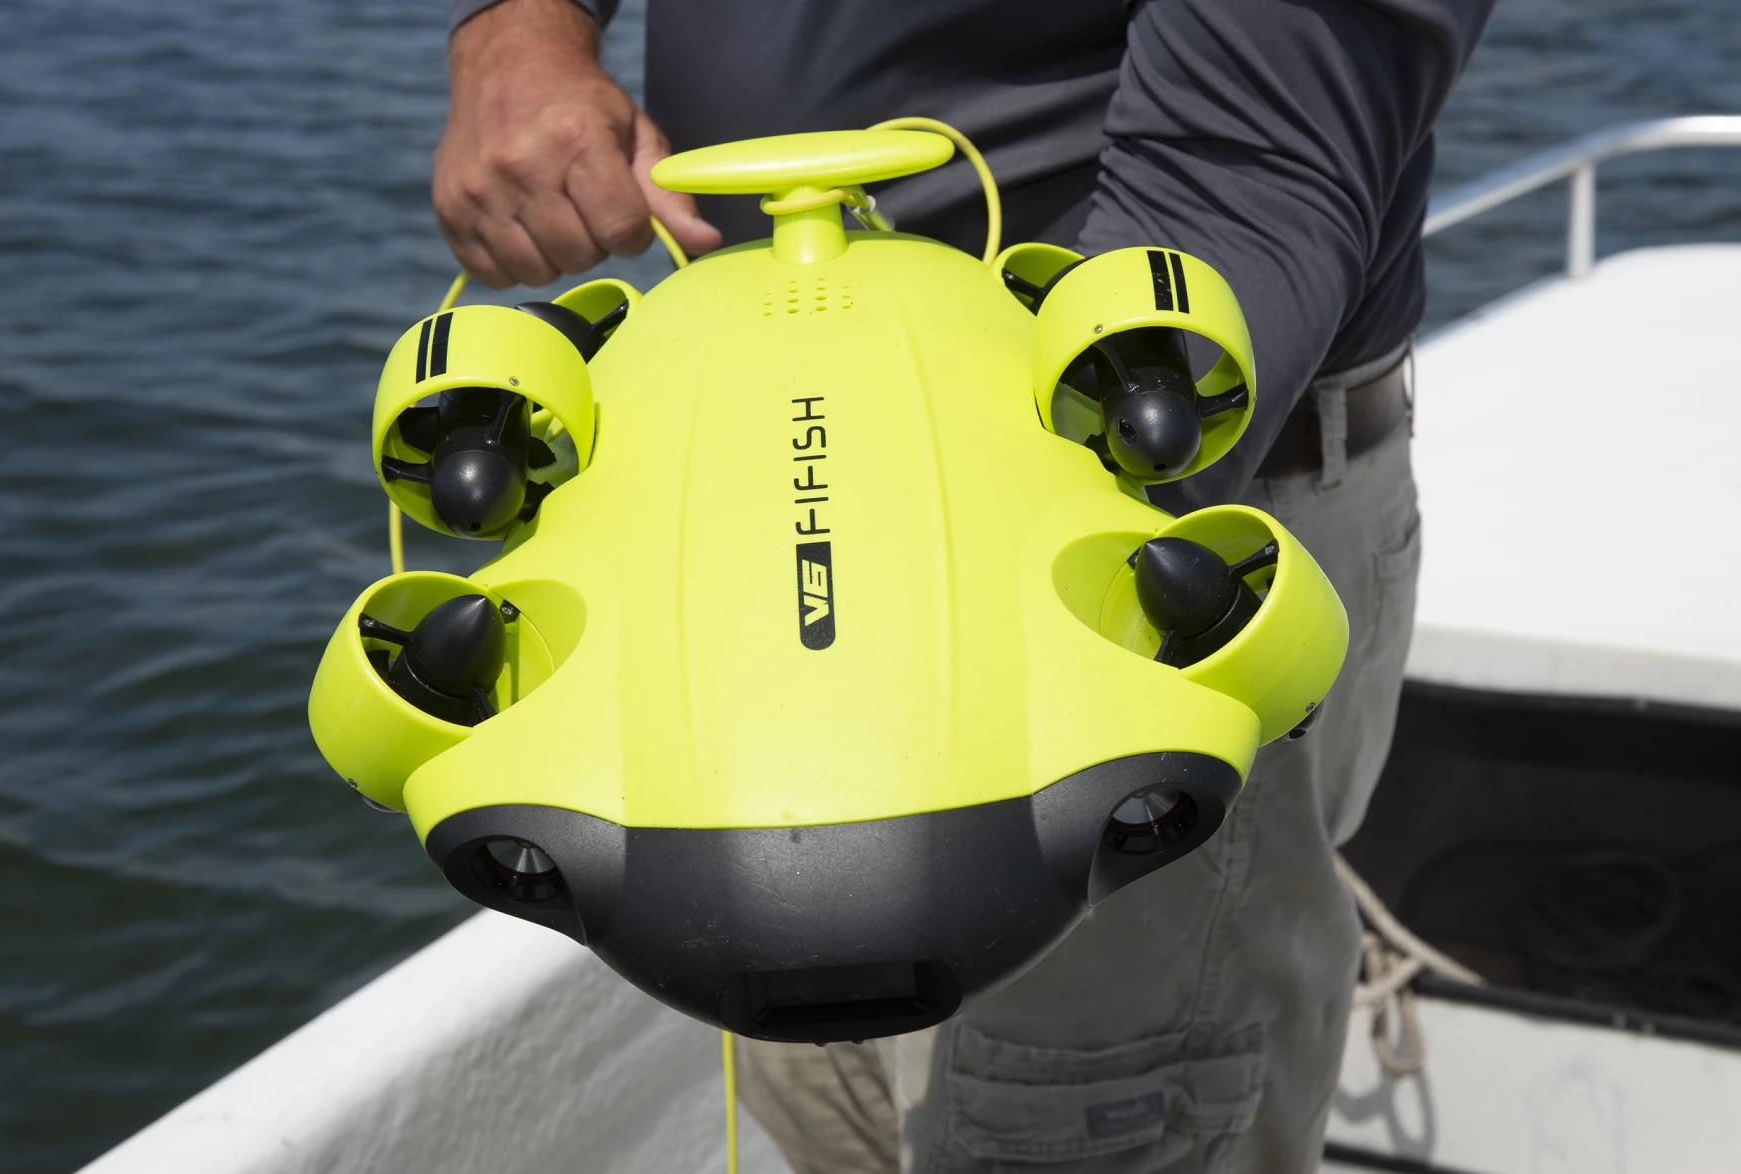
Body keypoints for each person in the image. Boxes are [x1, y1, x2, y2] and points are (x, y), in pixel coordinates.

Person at [433, 1, 1494, 1169]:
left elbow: (1249, 168)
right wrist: (518, 33)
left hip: (1133, 536)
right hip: (759, 517)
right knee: (822, 1093)